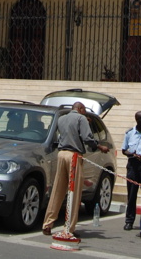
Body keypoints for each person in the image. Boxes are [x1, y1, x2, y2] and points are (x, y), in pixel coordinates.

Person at [42, 101, 109, 242]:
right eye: (84, 111)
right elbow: (87, 138)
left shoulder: (61, 118)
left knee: (58, 190)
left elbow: (67, 133)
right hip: (74, 156)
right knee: (74, 191)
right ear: (81, 109)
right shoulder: (81, 118)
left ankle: (48, 223)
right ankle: (69, 228)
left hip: (61, 154)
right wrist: (99, 147)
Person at [121, 111, 141, 230]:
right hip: (133, 166)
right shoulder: (130, 133)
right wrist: (132, 154)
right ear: (137, 120)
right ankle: (129, 221)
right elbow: (124, 150)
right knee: (132, 196)